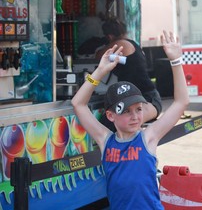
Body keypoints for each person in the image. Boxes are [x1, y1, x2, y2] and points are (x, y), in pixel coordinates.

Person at [71, 30, 189, 209]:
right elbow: (78, 104)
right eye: (126, 111)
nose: (135, 116)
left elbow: (181, 102)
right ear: (110, 116)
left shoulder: (148, 137)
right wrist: (101, 70)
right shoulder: (105, 140)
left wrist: (176, 61)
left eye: (139, 109)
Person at [95, 17, 162, 130]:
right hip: (147, 97)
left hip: (146, 98)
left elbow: (99, 55)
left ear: (110, 36)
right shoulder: (133, 44)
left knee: (112, 124)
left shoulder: (121, 44)